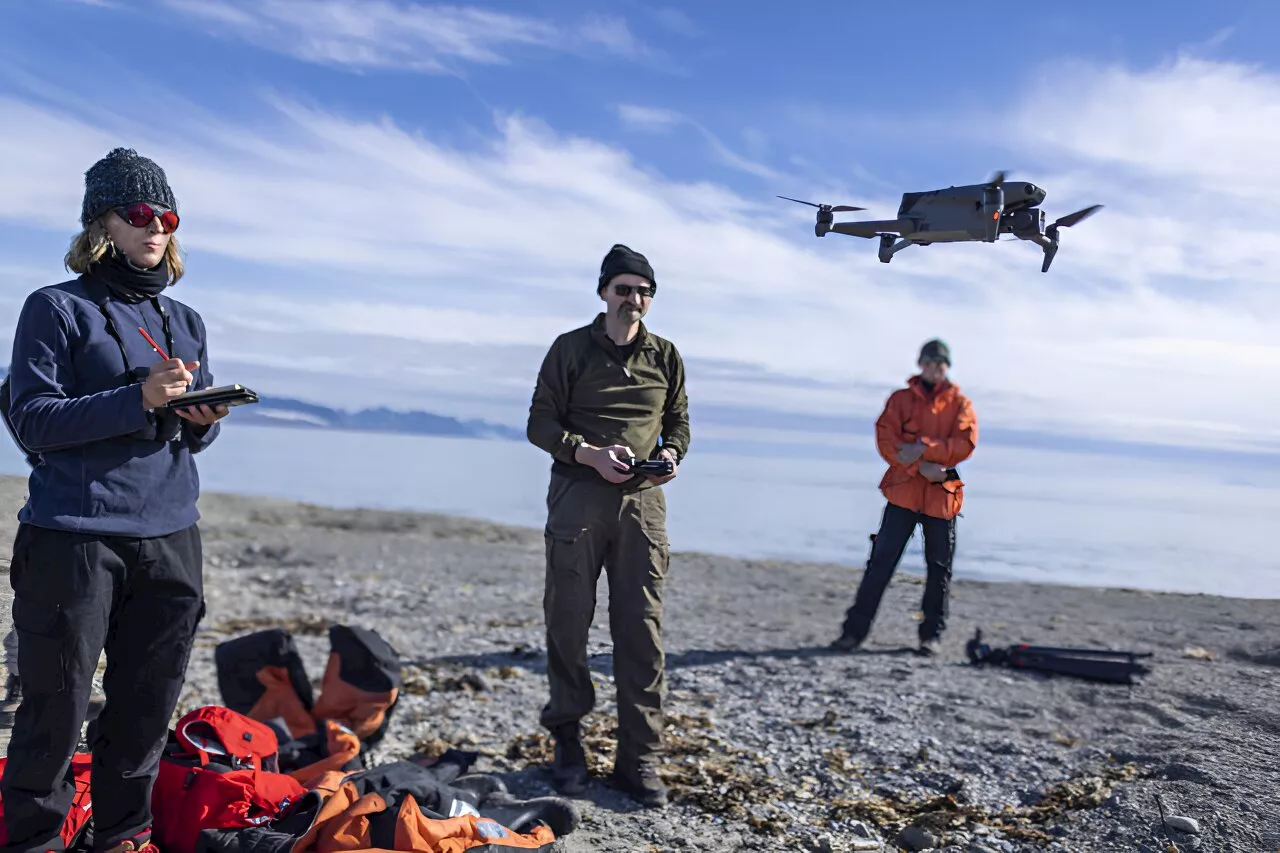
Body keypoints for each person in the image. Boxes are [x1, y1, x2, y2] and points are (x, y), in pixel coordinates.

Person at [0, 147, 228, 853]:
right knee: (54, 708)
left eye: (166, 214)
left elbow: (187, 438)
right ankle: (33, 841)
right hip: (73, 535)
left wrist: (201, 420)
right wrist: (139, 398)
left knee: (146, 705)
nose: (155, 227)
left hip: (170, 534)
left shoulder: (184, 320)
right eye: (139, 213)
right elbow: (31, 419)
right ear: (102, 222)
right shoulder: (55, 307)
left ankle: (123, 834)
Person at [525, 244, 691, 808]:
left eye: (643, 291)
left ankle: (637, 758)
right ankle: (568, 743)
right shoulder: (570, 349)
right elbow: (539, 423)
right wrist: (587, 453)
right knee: (568, 623)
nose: (634, 300)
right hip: (578, 501)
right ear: (603, 293)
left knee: (641, 632)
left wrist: (671, 454)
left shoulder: (665, 355)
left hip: (643, 509)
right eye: (623, 289)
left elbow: (679, 422)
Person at [831, 339, 977, 657]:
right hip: (903, 495)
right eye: (929, 363)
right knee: (880, 564)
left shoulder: (960, 404)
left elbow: (965, 443)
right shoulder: (900, 400)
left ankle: (930, 637)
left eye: (940, 365)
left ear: (946, 368)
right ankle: (852, 634)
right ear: (920, 365)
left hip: (941, 496)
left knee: (939, 569)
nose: (935, 370)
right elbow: (887, 440)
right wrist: (918, 467)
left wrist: (923, 448)